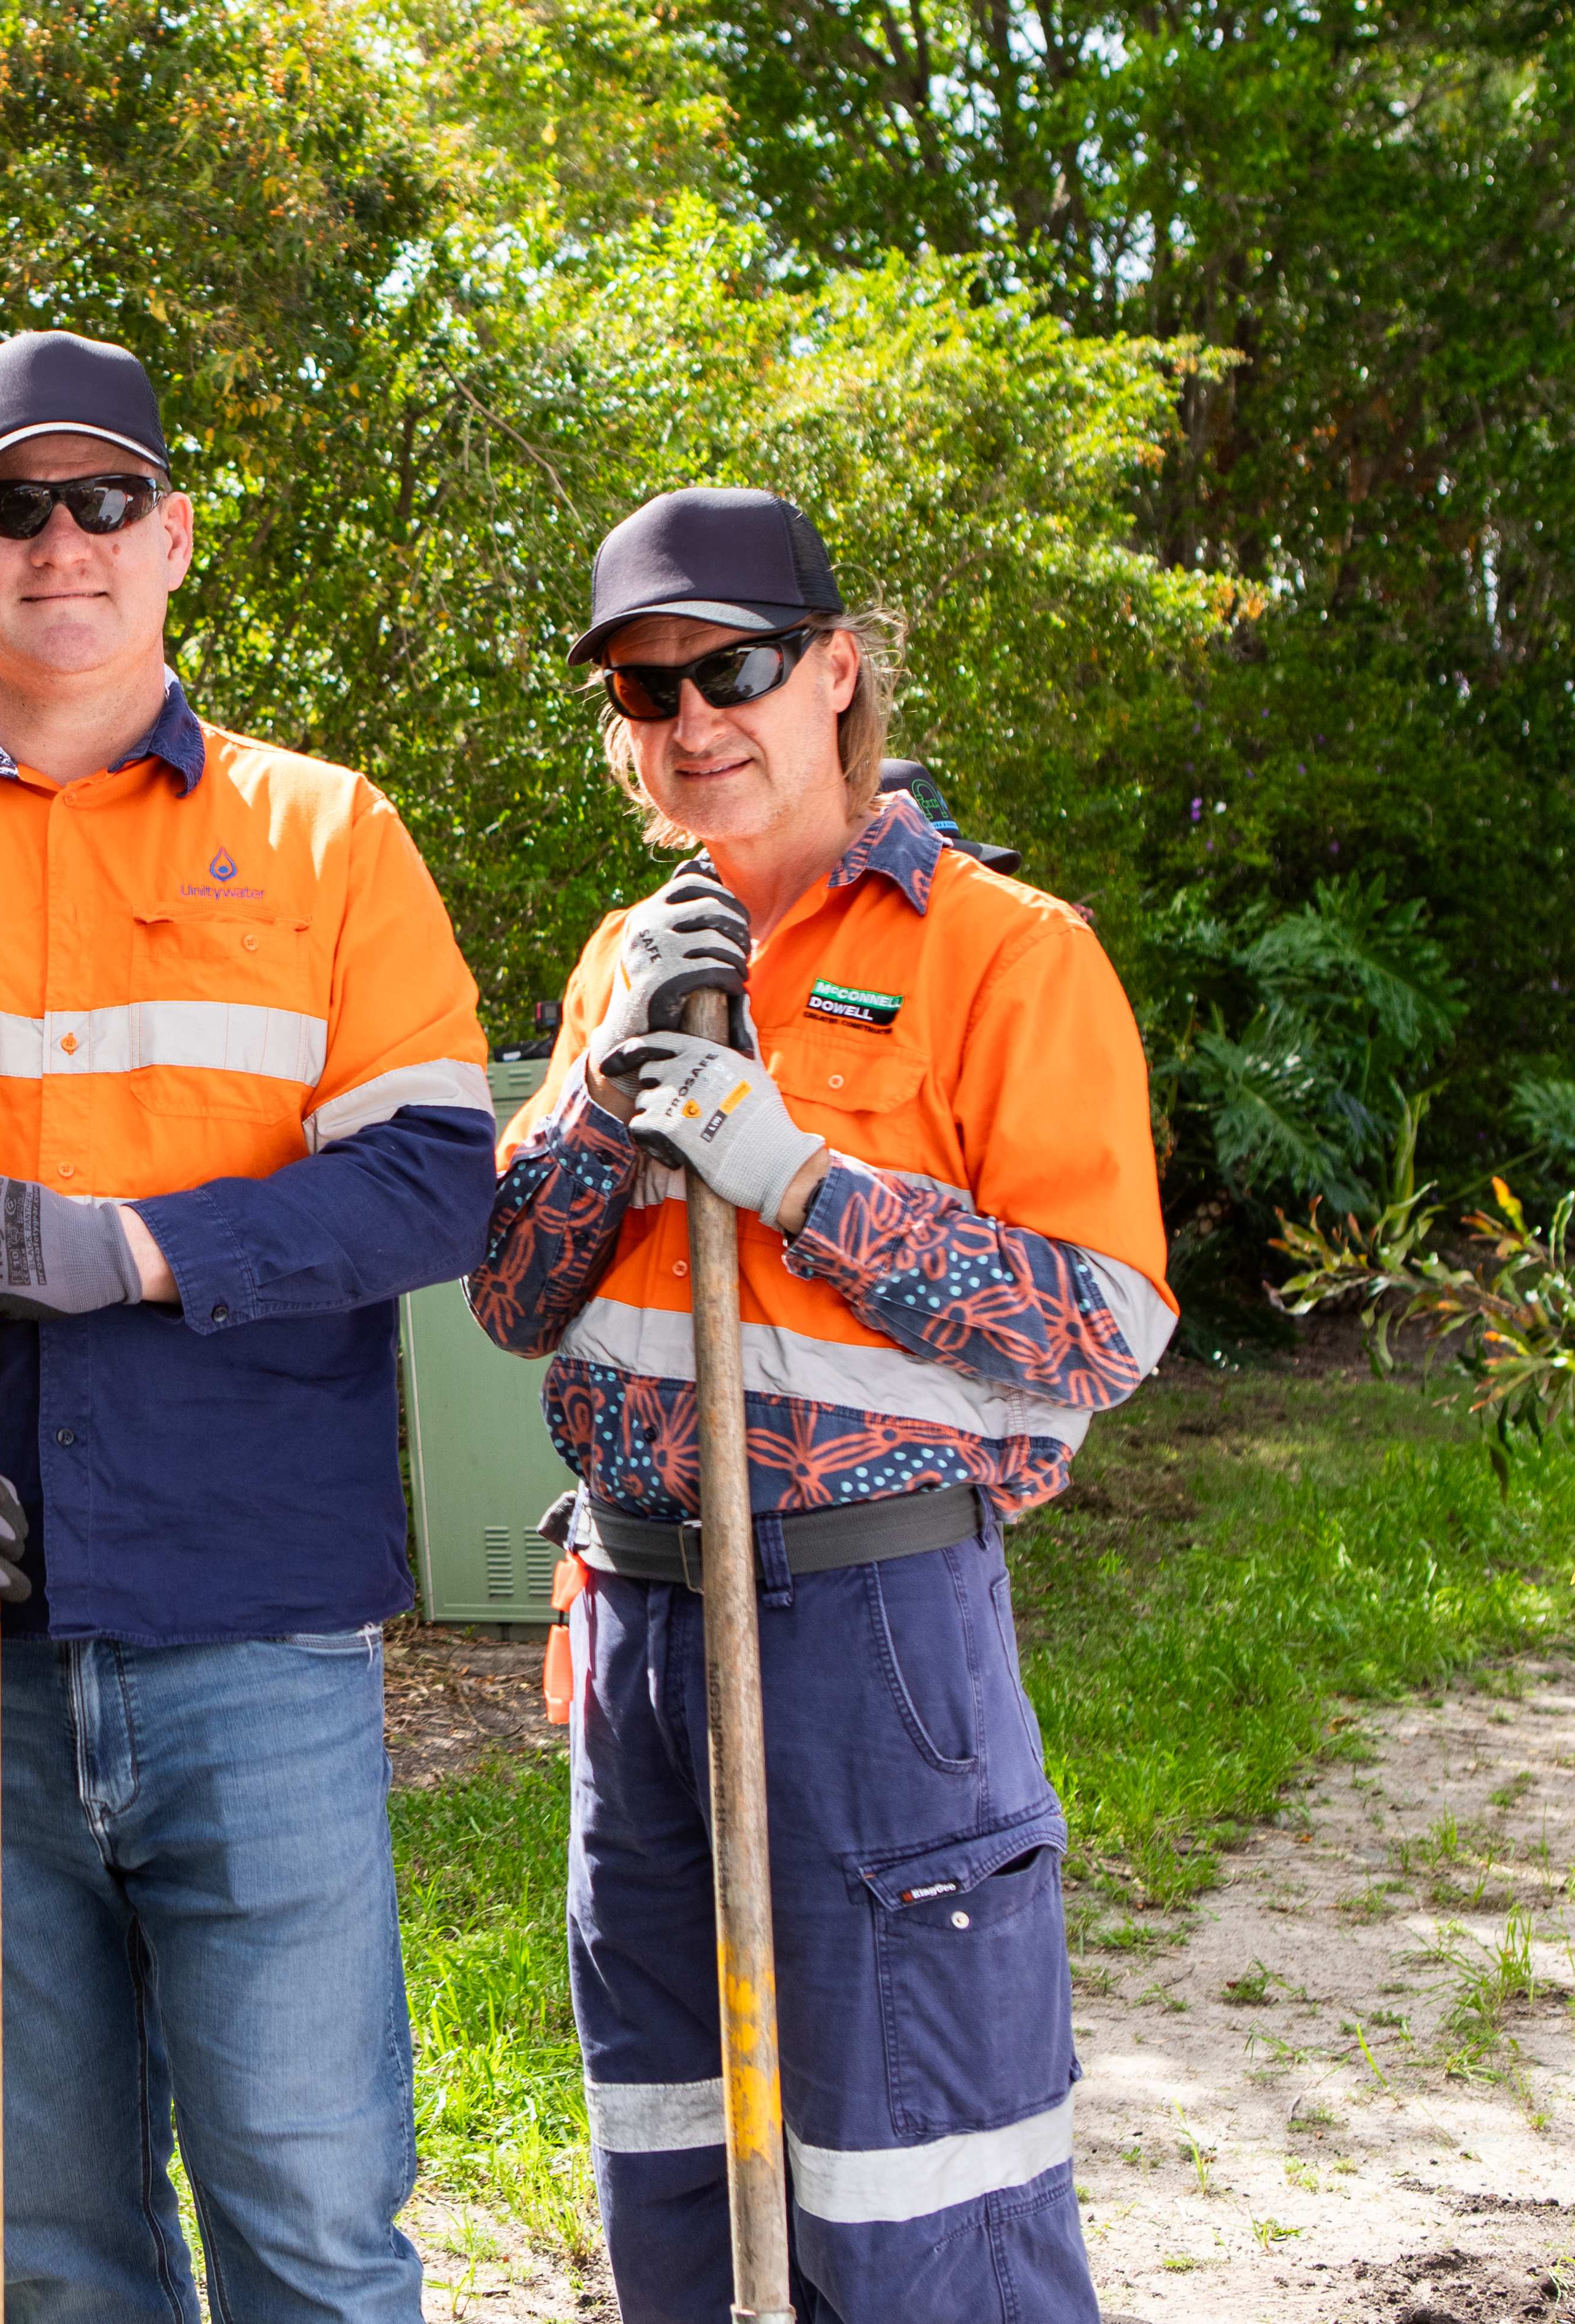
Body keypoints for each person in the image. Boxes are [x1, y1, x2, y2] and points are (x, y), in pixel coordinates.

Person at [0, 330, 495, 2321]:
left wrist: (125, 1246)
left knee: (308, 2214)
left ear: (173, 536)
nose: (63, 542)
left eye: (102, 500)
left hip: (252, 1627)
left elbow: (431, 1179)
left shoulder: (323, 835)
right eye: (16, 507)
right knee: (40, 2241)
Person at [468, 486, 1174, 2323]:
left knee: (915, 2177)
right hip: (634, 1621)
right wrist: (613, 1087)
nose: (691, 720)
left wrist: (789, 1170)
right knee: (677, 2162)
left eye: (735, 668)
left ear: (834, 671)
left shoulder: (1005, 950)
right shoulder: (626, 952)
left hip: (871, 1628)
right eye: (643, 688)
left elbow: (1092, 1328)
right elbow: (513, 1297)